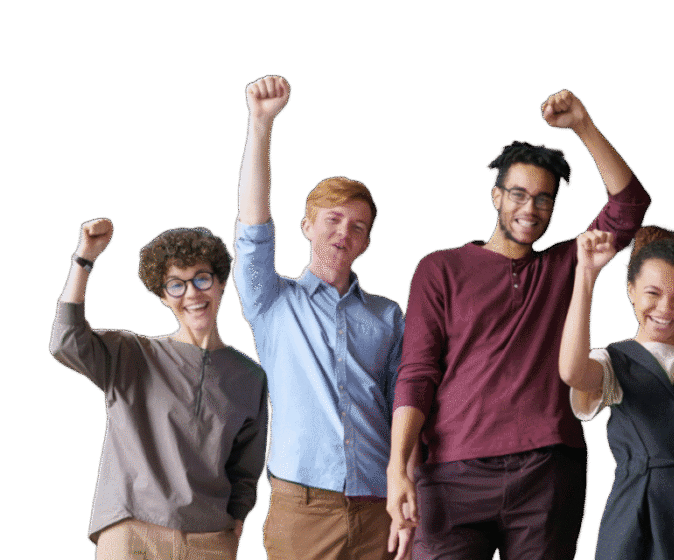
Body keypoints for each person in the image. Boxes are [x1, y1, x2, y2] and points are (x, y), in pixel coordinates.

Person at [388, 89, 652, 559]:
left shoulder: (567, 264)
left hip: (546, 472)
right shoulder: (440, 269)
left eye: (544, 200)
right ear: (496, 196)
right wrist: (397, 468)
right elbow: (417, 374)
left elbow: (629, 204)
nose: (530, 210)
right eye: (518, 195)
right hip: (452, 474)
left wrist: (583, 126)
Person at [233, 75, 407, 560]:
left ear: (367, 243)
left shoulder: (388, 315)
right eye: (332, 219)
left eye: (357, 227)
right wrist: (261, 123)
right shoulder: (271, 301)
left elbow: (405, 406)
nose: (343, 234)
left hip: (381, 508)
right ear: (307, 226)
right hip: (302, 510)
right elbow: (252, 226)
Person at [50, 219, 269, 559]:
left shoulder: (250, 377)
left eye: (201, 278)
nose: (192, 294)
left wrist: (235, 526)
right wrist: (84, 259)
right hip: (133, 533)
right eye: (176, 285)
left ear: (220, 282)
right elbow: (65, 342)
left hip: (210, 541)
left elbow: (246, 469)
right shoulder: (130, 354)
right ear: (164, 296)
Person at [559, 225, 674, 559]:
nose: (665, 309)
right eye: (653, 294)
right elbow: (572, 371)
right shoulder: (613, 363)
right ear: (630, 290)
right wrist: (585, 275)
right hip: (635, 525)